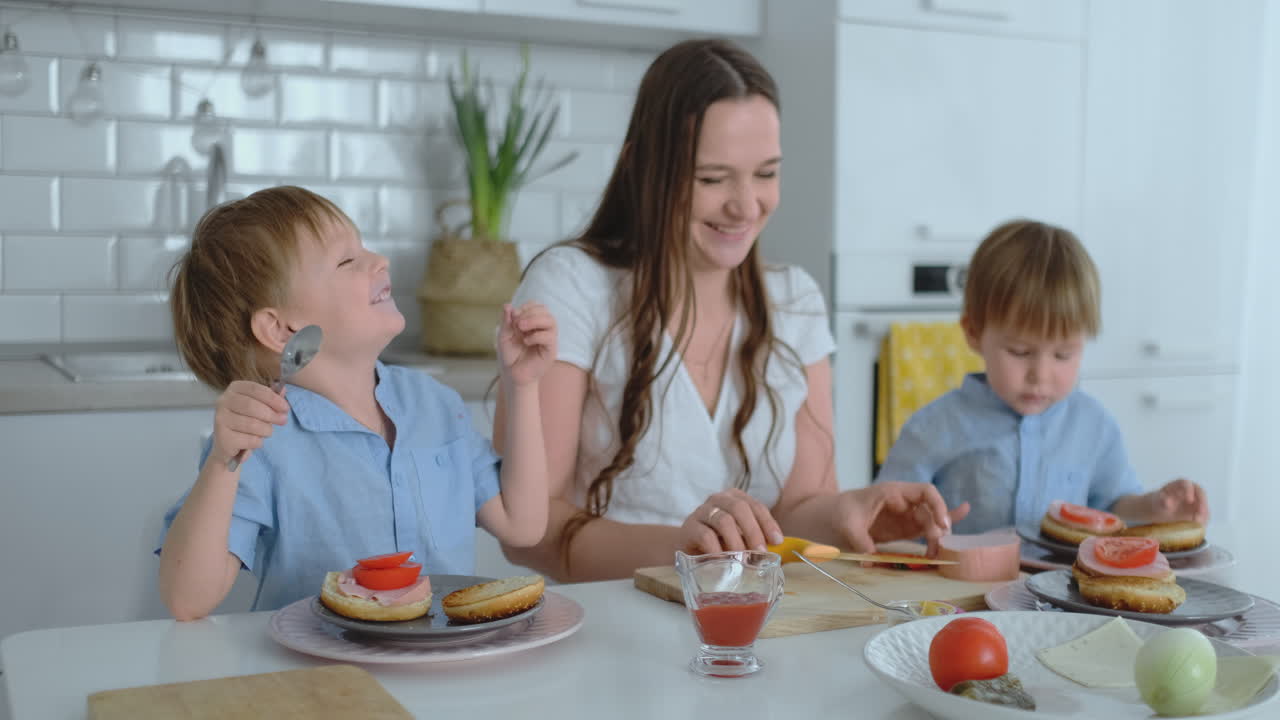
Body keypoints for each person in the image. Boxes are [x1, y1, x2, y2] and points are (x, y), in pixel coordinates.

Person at [493, 38, 968, 583]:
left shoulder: (795, 303)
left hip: (760, 626)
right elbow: (532, 535)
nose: (746, 205)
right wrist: (685, 549)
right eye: (712, 179)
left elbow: (796, 511)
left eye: (766, 173)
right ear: (642, 169)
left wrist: (847, 514)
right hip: (609, 632)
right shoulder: (572, 286)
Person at [157, 186, 557, 620]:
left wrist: (522, 386)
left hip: (443, 670)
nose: (379, 260)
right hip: (322, 680)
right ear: (280, 329)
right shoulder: (259, 439)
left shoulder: (434, 404)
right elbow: (186, 600)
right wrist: (222, 464)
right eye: (347, 260)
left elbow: (524, 524)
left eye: (363, 247)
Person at [875, 219, 1211, 533]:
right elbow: (883, 517)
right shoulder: (934, 426)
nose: (1041, 375)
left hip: (1061, 594)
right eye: (1020, 352)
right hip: (956, 594)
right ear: (974, 333)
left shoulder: (1094, 426)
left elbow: (1112, 506)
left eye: (1064, 355)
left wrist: (1154, 507)